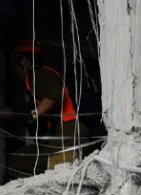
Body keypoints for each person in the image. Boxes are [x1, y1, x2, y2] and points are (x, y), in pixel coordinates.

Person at [6, 39, 85, 179]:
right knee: (19, 159)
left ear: (25, 61)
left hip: (68, 132)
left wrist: (33, 115)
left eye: (15, 64)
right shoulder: (38, 77)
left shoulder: (38, 75)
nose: (14, 70)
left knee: (57, 173)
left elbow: (51, 97)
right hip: (62, 133)